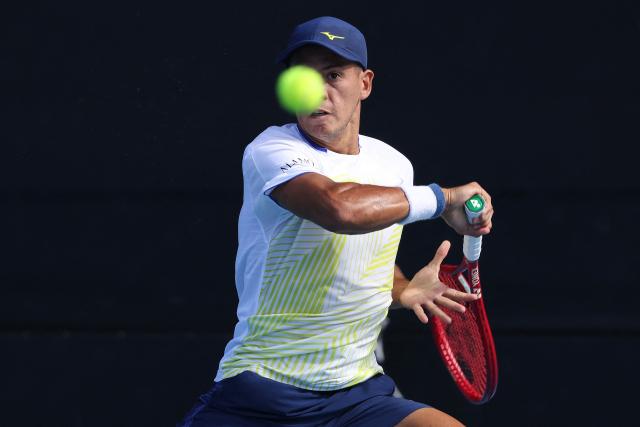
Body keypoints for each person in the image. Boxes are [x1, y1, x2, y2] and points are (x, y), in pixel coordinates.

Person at [178, 16, 493, 427]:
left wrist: (403, 288)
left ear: (364, 84)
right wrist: (443, 198)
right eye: (304, 77)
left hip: (357, 395)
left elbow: (366, 253)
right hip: (261, 394)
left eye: (333, 75)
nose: (317, 92)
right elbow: (340, 211)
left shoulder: (394, 166)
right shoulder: (271, 150)